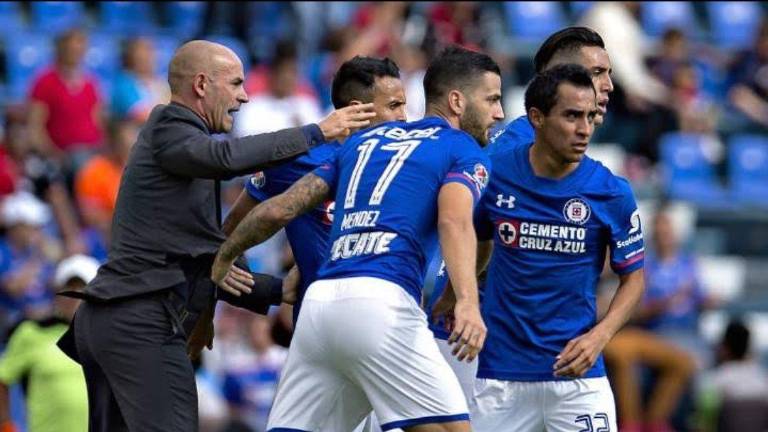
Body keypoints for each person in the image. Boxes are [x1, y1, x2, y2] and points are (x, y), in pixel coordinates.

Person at [56, 39, 376, 432]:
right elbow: (225, 159)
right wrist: (316, 133)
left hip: (116, 320)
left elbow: (209, 257)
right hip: (138, 322)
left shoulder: (183, 153)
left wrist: (278, 290)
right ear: (202, 85)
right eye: (236, 83)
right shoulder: (168, 126)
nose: (245, 96)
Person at [213, 45, 504, 432]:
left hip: (318, 307)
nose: (500, 113)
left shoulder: (359, 145)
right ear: (456, 101)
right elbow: (455, 220)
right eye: (492, 100)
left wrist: (222, 258)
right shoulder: (460, 147)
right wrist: (467, 301)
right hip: (382, 303)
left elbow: (279, 209)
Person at [440, 64, 645, 431]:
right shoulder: (493, 173)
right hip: (499, 379)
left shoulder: (611, 191)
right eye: (571, 116)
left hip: (578, 379)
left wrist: (600, 336)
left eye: (589, 116)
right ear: (536, 117)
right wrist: (456, 296)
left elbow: (634, 279)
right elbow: (477, 239)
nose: (584, 129)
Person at [426, 25, 615, 400]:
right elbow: (473, 228)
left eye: (608, 73)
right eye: (595, 74)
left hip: (511, 341)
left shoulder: (551, 149)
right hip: (478, 338)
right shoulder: (514, 152)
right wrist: (461, 296)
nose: (608, 85)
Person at [223, 55, 407, 320]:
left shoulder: (407, 165)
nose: (404, 117)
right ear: (358, 111)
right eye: (394, 106)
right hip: (320, 318)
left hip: (387, 316)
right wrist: (242, 281)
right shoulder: (299, 161)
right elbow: (231, 228)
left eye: (403, 105)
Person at [0, 254, 99, 432]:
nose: (75, 296)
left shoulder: (105, 337)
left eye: (82, 288)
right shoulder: (32, 332)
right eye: (69, 288)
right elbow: (2, 378)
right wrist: (5, 426)